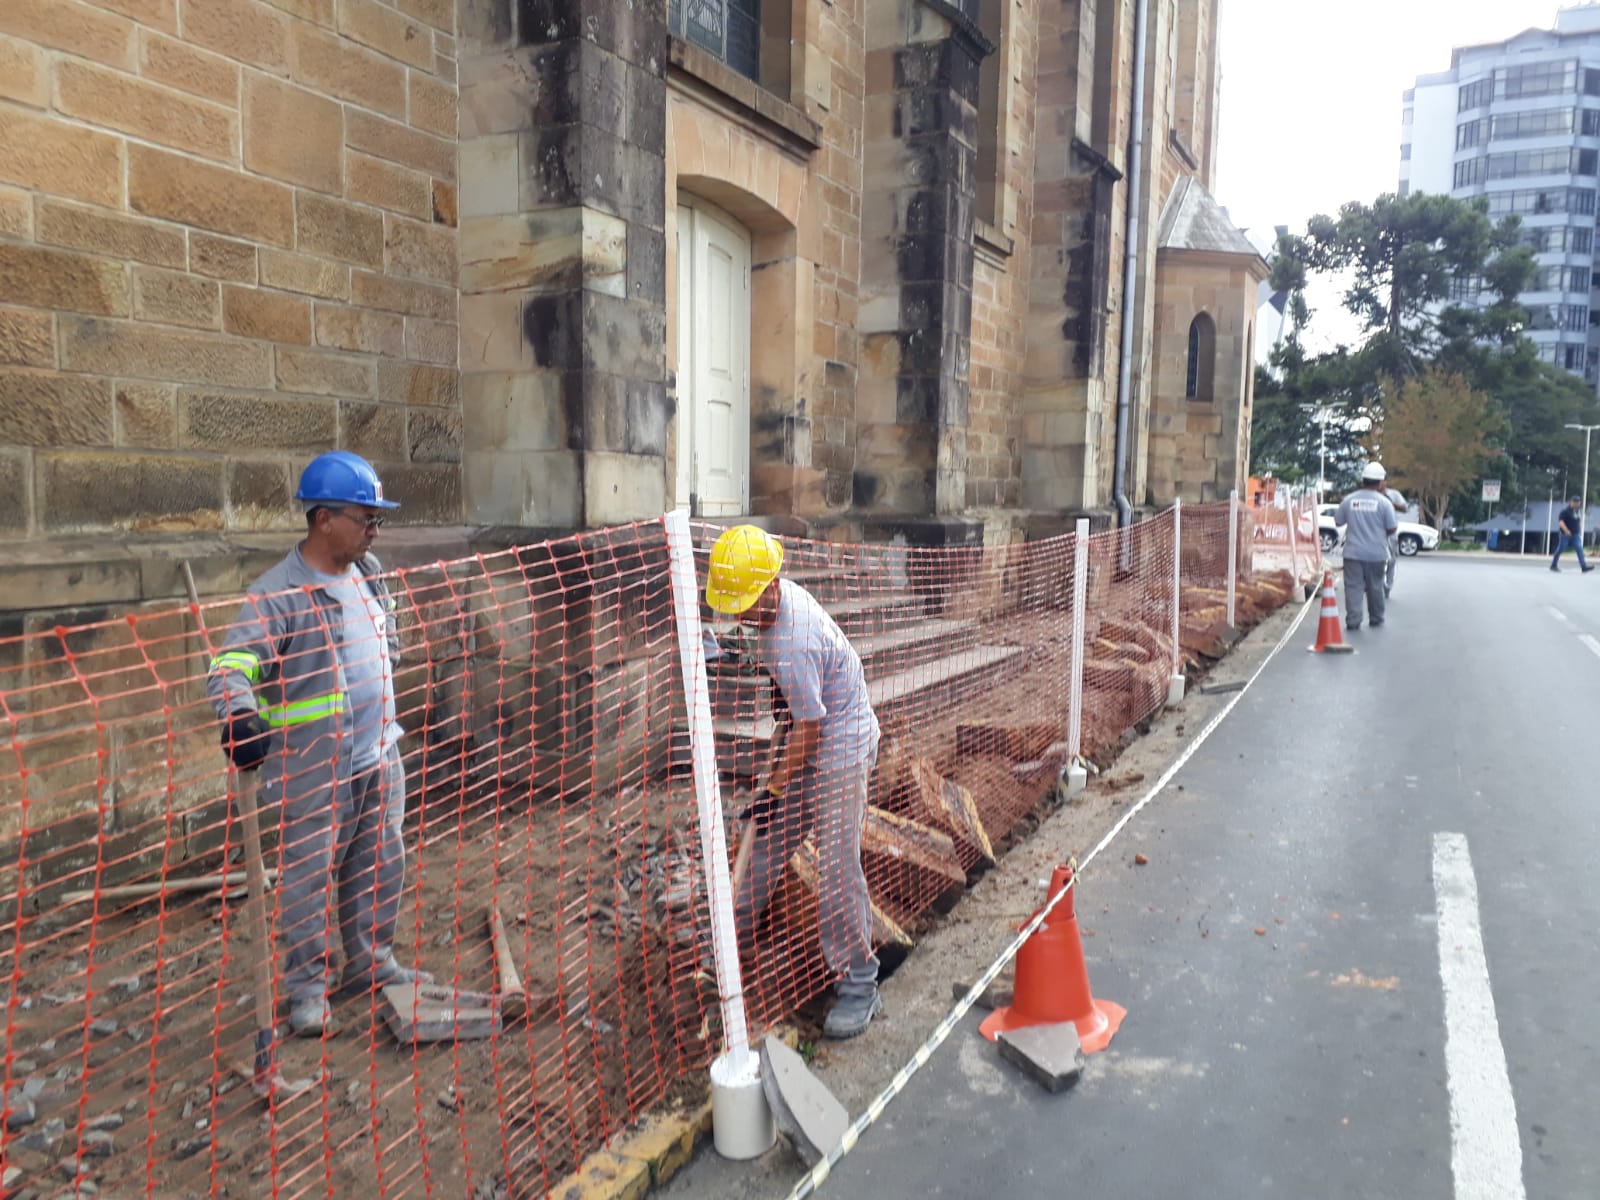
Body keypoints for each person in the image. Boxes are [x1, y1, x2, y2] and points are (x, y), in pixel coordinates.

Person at [207, 451, 430, 1037]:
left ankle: (371, 963)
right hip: (314, 766)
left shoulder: (369, 570)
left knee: (380, 861)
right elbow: (231, 665)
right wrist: (238, 715)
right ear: (324, 518)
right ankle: (307, 988)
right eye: (366, 518)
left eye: (377, 519)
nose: (374, 530)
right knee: (309, 878)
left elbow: (386, 640)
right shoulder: (277, 595)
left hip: (379, 751)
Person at [704, 525, 883, 1039]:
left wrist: (773, 791)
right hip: (813, 730)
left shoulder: (792, 641)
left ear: (771, 586)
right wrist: (737, 656)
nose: (737, 615)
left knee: (835, 867)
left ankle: (859, 982)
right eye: (732, 605)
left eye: (744, 604)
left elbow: (809, 731)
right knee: (765, 842)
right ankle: (728, 944)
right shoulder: (773, 609)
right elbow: (793, 698)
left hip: (841, 747)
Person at [1336, 463, 1398, 630]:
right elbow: (1392, 528)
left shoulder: (1349, 500)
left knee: (1353, 586)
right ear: (1380, 482)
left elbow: (1338, 521)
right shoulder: (1384, 503)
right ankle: (1376, 617)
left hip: (1352, 553)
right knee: (1375, 586)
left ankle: (1354, 620)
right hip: (1376, 553)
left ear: (1363, 479)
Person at [1551, 496, 1594, 573]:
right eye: (1575, 502)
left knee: (1579, 549)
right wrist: (1566, 530)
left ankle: (1583, 567)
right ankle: (1553, 565)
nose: (1577, 503)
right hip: (1565, 535)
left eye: (1578, 502)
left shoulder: (1578, 511)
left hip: (1575, 535)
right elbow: (1561, 522)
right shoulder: (1565, 511)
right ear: (1571, 502)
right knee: (1560, 549)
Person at [1382, 482, 1408, 597]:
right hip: (1374, 532)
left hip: (1390, 531)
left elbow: (1404, 508)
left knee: (1391, 560)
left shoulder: (1393, 494)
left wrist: (1391, 504)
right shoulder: (1370, 494)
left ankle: (1388, 585)